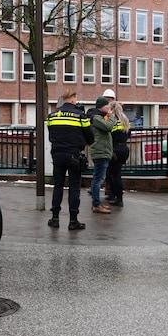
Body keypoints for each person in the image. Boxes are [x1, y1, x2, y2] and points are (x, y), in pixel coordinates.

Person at [46, 89, 94, 231]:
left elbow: (51, 135)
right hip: (74, 155)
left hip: (57, 154)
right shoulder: (81, 116)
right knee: (74, 187)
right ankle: (73, 221)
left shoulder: (52, 116)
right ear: (73, 98)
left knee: (58, 186)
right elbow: (90, 137)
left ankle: (55, 218)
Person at [88, 96, 118, 214]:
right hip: (100, 152)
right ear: (101, 106)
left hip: (103, 152)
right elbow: (109, 127)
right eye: (107, 106)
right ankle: (96, 204)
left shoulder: (100, 117)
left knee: (98, 178)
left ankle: (97, 203)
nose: (109, 108)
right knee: (98, 179)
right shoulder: (96, 118)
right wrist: (111, 115)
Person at [103, 89, 130, 207]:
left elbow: (109, 136)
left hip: (115, 150)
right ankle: (115, 195)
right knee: (115, 173)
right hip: (124, 149)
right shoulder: (125, 122)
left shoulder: (113, 122)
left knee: (115, 175)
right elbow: (128, 135)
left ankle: (118, 198)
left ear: (113, 109)